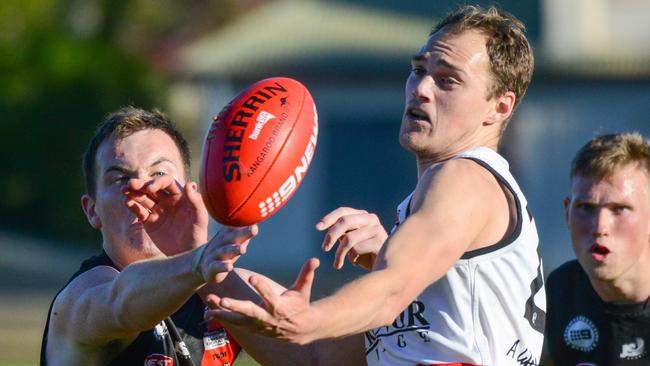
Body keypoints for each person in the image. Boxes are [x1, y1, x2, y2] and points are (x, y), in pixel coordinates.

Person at [206, 5, 546, 365]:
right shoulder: (441, 245)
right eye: (418, 71)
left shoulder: (465, 178)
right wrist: (200, 264)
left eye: (447, 80)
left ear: (500, 107)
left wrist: (309, 318)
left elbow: (391, 290)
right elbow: (316, 358)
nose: (421, 89)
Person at [40, 106, 258, 365]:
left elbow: (308, 350)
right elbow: (121, 304)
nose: (144, 189)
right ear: (92, 210)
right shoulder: (83, 295)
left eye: (159, 174)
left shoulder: (224, 287)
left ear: (191, 194)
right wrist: (197, 262)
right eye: (120, 178)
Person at [542, 133, 650, 365]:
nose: (599, 227)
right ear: (567, 213)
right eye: (586, 207)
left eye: (619, 209)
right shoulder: (558, 293)